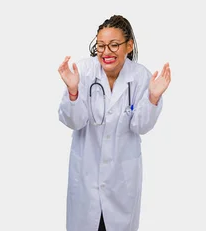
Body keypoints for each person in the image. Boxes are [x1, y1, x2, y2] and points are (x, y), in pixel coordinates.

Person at [57, 15, 171, 231]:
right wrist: (73, 91)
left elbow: (141, 126)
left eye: (114, 45)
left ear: (129, 46)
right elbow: (74, 121)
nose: (106, 52)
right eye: (101, 46)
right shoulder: (83, 71)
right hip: (86, 177)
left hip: (121, 181)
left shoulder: (140, 77)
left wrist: (153, 98)